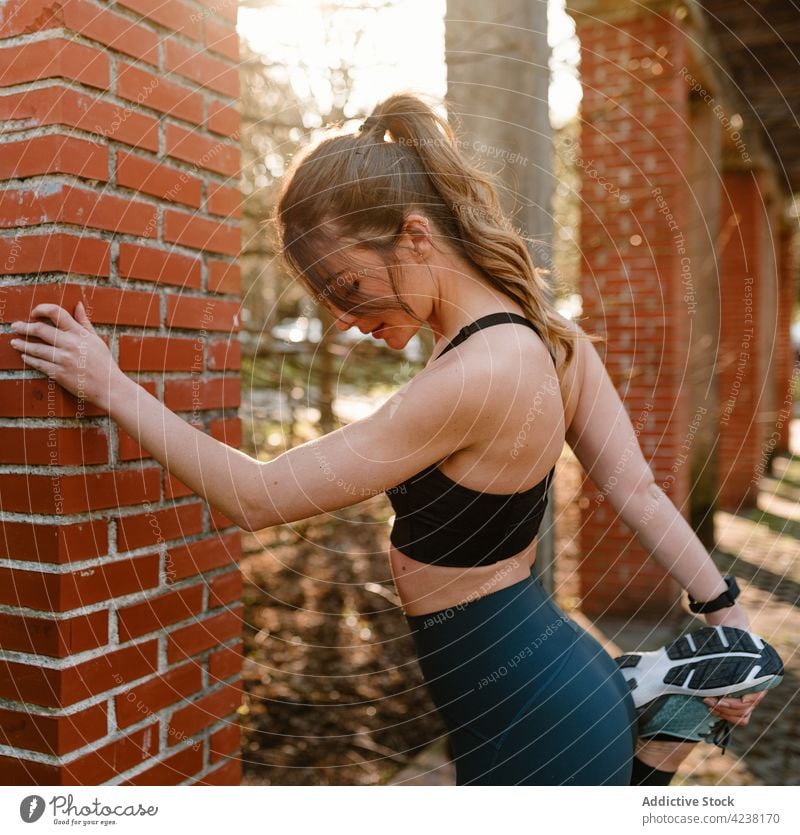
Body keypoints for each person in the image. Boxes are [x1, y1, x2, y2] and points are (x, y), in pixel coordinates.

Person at [8, 93, 775, 786]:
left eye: (347, 287)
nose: (344, 316)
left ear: (414, 236)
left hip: (533, 712)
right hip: (541, 683)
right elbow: (634, 488)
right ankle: (669, 707)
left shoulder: (475, 374)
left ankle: (664, 711)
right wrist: (726, 612)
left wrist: (109, 385)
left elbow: (258, 495)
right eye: (327, 300)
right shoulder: (548, 338)